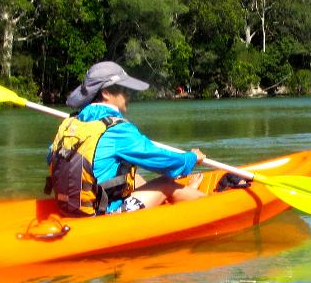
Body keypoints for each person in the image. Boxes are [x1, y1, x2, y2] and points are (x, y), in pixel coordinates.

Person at [47, 61, 207, 216]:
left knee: (135, 179)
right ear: (106, 93)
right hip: (101, 213)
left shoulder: (70, 124)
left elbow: (52, 159)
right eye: (124, 90)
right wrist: (192, 158)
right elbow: (161, 160)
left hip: (69, 207)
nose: (129, 94)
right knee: (165, 182)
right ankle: (199, 198)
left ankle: (185, 192)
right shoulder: (118, 129)